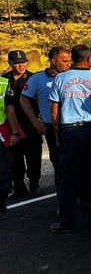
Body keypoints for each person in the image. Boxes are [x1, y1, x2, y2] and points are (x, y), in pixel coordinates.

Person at [49, 45, 91, 233]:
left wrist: (57, 134)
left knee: (69, 178)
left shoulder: (60, 78)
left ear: (72, 59)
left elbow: (55, 110)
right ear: (90, 59)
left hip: (71, 132)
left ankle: (66, 221)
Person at [20, 47, 72, 198]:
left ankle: (81, 197)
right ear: (53, 61)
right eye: (65, 61)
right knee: (59, 165)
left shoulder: (71, 76)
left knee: (77, 163)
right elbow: (24, 100)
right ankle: (63, 202)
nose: (69, 64)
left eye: (70, 60)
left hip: (74, 127)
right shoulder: (37, 78)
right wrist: (35, 121)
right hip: (52, 129)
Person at [2, 50, 42, 198]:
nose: (21, 65)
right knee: (14, 159)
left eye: (23, 62)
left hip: (30, 125)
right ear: (10, 64)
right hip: (11, 125)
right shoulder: (4, 80)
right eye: (17, 63)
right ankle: (19, 187)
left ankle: (34, 183)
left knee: (33, 157)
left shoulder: (34, 78)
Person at [0, 76, 24, 220]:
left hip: (1, 135)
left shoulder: (3, 83)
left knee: (5, 173)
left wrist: (15, 132)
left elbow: (10, 109)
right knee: (4, 172)